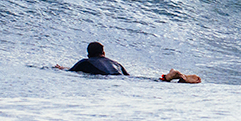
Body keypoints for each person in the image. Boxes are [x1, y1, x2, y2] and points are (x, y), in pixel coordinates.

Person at [54, 41, 200, 83]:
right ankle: (170, 77)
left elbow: (71, 71)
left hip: (108, 78)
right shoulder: (115, 62)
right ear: (104, 53)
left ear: (88, 54)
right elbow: (127, 75)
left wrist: (61, 68)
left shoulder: (85, 62)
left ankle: (168, 78)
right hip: (120, 76)